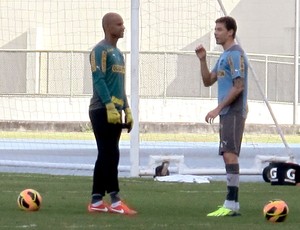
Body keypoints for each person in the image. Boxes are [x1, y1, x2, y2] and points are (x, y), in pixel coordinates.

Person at [195, 16, 248, 217]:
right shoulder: (224, 56)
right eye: (215, 29)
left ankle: (231, 204)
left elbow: (239, 86)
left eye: (219, 29)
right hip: (228, 112)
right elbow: (208, 80)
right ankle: (231, 204)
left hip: (232, 111)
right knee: (228, 153)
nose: (215, 32)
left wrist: (218, 108)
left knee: (230, 153)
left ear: (230, 32)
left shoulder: (236, 55)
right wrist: (202, 60)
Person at [87, 12, 136, 215]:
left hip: (115, 110)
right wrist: (107, 105)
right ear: (108, 27)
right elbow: (98, 80)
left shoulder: (119, 54)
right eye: (119, 24)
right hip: (101, 109)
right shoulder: (99, 51)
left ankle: (97, 200)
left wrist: (126, 107)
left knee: (107, 153)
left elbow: (119, 85)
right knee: (110, 153)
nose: (123, 27)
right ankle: (115, 200)